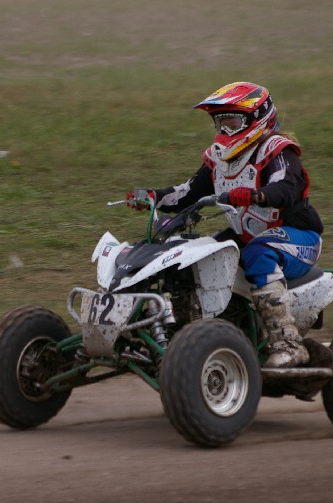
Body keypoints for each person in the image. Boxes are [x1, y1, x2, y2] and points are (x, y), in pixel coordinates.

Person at [127, 82, 323, 369]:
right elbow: (188, 192)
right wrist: (154, 197)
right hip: (247, 236)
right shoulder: (219, 158)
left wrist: (257, 195)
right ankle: (191, 334)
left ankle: (288, 343)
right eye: (221, 123)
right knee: (197, 256)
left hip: (298, 237)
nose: (226, 130)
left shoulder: (277, 150)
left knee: (259, 252)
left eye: (233, 122)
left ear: (257, 118)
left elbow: (285, 186)